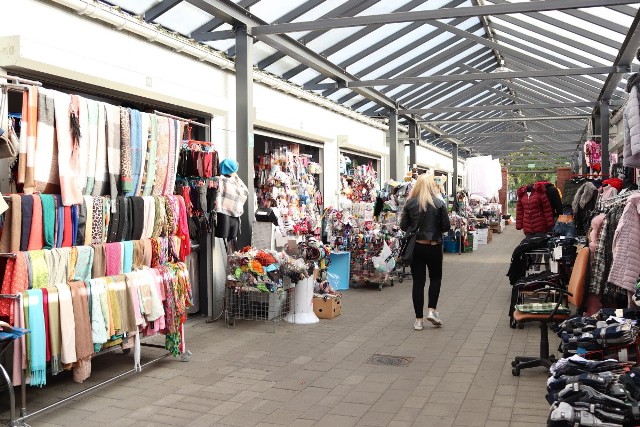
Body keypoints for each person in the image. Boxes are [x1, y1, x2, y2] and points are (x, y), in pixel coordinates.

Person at [400, 174, 451, 330]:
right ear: (432, 186)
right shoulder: (439, 203)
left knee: (418, 283)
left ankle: (418, 320)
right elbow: (446, 227)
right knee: (435, 278)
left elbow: (403, 226)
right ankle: (432, 310)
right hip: (434, 246)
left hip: (417, 247)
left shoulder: (410, 203)